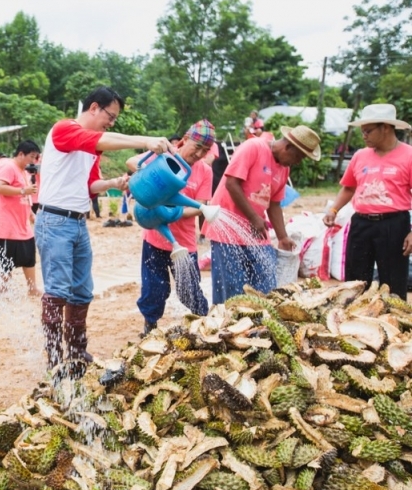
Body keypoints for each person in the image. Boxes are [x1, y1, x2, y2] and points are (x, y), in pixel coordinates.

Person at [36, 86, 171, 378]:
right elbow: (101, 139)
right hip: (54, 221)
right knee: (57, 292)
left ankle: (75, 350)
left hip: (78, 222)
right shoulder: (64, 130)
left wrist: (115, 181)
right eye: (110, 116)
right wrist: (146, 141)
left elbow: (90, 186)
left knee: (82, 292)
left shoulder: (90, 149)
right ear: (94, 107)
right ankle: (55, 359)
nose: (110, 122)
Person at [204, 125, 321, 303]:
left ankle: (256, 326)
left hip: (255, 230)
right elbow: (231, 184)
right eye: (299, 157)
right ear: (288, 147)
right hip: (228, 229)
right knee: (233, 292)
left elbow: (274, 204)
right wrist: (253, 217)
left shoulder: (284, 168)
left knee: (266, 285)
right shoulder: (253, 147)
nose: (298, 162)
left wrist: (282, 237)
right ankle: (226, 326)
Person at [127, 120, 215, 334]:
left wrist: (171, 211)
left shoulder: (205, 171)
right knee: (154, 290)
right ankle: (150, 327)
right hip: (154, 239)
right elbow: (131, 161)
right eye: (197, 147)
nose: (199, 154)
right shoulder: (164, 156)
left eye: (205, 151)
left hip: (184, 245)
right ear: (185, 140)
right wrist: (152, 179)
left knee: (189, 291)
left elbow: (201, 207)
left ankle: (205, 326)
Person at [323, 104, 412, 297]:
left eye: (368, 131)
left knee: (393, 282)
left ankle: (392, 321)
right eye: (362, 131)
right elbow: (348, 187)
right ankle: (350, 319)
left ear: (386, 127)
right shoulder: (360, 156)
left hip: (394, 225)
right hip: (361, 223)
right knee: (355, 281)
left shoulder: (408, 155)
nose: (364, 136)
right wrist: (333, 210)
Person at [0, 139, 41, 296]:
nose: (33, 161)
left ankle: (32, 288)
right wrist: (22, 191)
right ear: (21, 154)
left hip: (21, 224)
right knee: (6, 261)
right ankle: (3, 288)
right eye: (31, 157)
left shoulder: (23, 171)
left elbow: (25, 194)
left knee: (29, 258)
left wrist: (31, 213)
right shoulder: (9, 167)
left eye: (35, 158)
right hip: (6, 226)